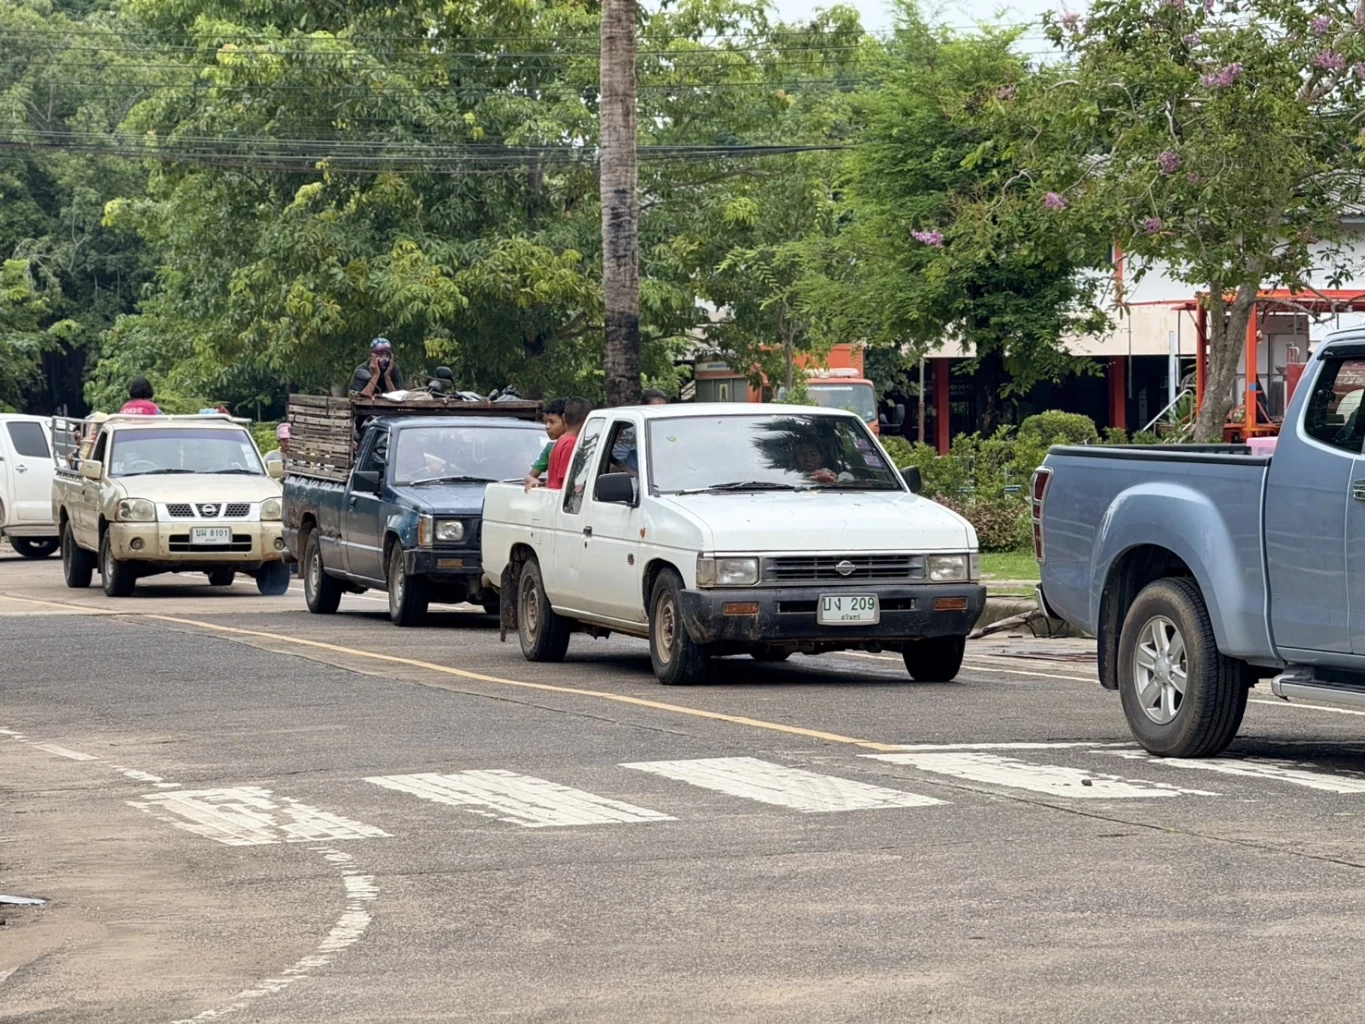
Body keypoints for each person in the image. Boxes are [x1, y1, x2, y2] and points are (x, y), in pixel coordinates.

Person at [546, 397, 591, 490]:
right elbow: (567, 481)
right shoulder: (571, 443)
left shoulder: (561, 440)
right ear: (588, 420)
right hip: (561, 499)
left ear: (564, 418)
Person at [525, 399, 567, 490]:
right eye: (546, 422)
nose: (547, 426)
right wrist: (533, 480)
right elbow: (529, 476)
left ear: (565, 421)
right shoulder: (550, 447)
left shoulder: (575, 444)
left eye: (552, 422)